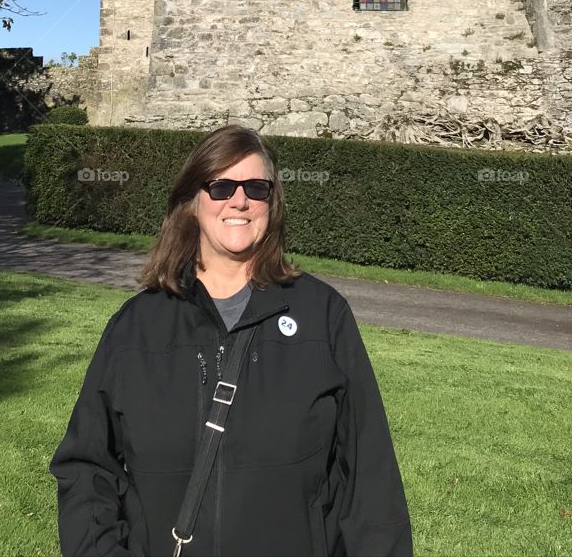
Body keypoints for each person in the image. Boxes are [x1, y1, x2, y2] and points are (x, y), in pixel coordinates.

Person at [49, 124, 412, 557]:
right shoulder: (137, 327)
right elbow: (88, 467)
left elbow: (369, 479)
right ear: (193, 201)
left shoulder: (323, 317)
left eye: (255, 188)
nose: (238, 201)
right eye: (221, 186)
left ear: (272, 203)